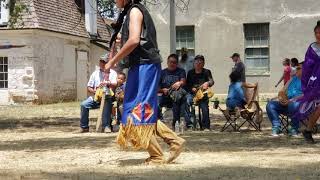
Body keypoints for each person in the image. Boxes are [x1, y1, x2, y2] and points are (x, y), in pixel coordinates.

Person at [104, 0, 185, 164]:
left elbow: (134, 40)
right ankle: (174, 141)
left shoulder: (134, 11)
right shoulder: (132, 11)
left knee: (139, 110)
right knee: (139, 109)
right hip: (141, 66)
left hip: (145, 66)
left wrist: (112, 61)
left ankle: (157, 155)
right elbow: (136, 39)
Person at [295, 20, 320, 143]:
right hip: (316, 81)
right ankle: (308, 130)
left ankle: (308, 130)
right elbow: (307, 66)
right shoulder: (312, 48)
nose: (318, 35)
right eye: (316, 33)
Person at [79, 55, 118, 133]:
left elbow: (115, 84)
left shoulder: (113, 73)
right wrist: (95, 91)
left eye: (105, 62)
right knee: (84, 104)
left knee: (106, 103)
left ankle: (106, 126)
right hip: (96, 97)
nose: (103, 63)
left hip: (108, 96)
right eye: (101, 61)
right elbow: (89, 87)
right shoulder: (95, 73)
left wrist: (107, 83)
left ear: (108, 63)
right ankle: (84, 127)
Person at [266, 63, 303, 137]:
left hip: (300, 105)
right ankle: (277, 127)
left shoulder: (309, 81)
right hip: (287, 103)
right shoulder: (292, 79)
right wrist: (280, 98)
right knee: (270, 105)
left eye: (299, 68)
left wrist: (291, 100)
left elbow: (307, 95)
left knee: (294, 105)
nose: (296, 70)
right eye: (296, 68)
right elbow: (282, 91)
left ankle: (293, 128)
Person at [158, 54, 192, 131]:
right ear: (167, 62)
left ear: (177, 63)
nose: (172, 64)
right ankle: (159, 123)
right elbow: (156, 88)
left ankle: (176, 123)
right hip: (165, 94)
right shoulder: (162, 72)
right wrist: (162, 90)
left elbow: (183, 81)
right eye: (171, 62)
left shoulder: (181, 71)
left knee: (177, 98)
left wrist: (179, 83)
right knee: (156, 102)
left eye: (174, 62)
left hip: (177, 94)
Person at [186, 55, 214, 131]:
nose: (198, 64)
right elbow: (187, 85)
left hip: (202, 93)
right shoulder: (190, 72)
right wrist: (191, 88)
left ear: (203, 63)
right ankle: (190, 125)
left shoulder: (207, 72)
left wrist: (207, 83)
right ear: (194, 63)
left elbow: (211, 81)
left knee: (204, 106)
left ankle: (206, 126)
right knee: (187, 102)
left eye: (200, 62)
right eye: (196, 62)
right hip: (192, 93)